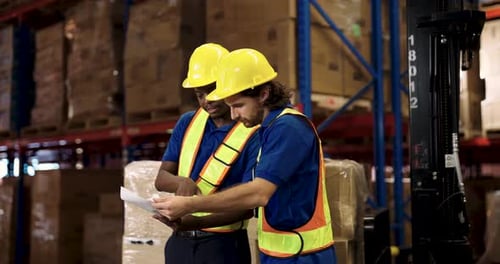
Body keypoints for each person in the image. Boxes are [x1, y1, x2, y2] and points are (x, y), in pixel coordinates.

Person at [152, 48, 337, 264]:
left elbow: (258, 194)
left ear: (264, 94)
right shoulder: (271, 128)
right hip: (282, 254)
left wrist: (190, 205)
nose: (234, 115)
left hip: (303, 256)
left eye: (238, 105)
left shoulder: (288, 128)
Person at [153, 43, 260, 264]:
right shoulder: (188, 122)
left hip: (224, 247)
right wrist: (181, 182)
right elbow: (161, 179)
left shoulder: (252, 132)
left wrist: (193, 221)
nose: (206, 101)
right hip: (179, 243)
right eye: (199, 94)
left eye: (212, 91)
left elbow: (248, 206)